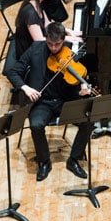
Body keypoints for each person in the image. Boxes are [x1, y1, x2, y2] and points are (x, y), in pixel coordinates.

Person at [7, 22, 92, 182]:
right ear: (45, 39)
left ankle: (73, 159)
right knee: (36, 125)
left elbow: (81, 75)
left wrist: (82, 90)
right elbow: (13, 71)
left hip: (65, 101)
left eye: (57, 44)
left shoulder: (70, 50)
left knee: (88, 121)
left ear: (63, 39)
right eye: (50, 44)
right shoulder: (35, 49)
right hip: (42, 102)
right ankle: (44, 161)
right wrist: (26, 88)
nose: (53, 48)